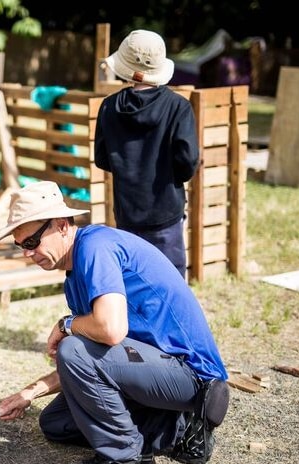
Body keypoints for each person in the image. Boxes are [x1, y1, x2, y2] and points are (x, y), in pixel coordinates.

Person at [0, 181, 229, 464]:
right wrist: (31, 393)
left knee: (72, 348)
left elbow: (110, 330)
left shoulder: (95, 246)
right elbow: (97, 359)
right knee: (56, 424)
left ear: (62, 226)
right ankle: (174, 429)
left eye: (33, 240)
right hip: (156, 371)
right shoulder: (73, 274)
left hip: (193, 378)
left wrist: (66, 324)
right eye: (21, 244)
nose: (28, 253)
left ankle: (127, 458)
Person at [94, 29, 200, 278]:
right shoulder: (178, 107)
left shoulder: (109, 106)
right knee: (170, 283)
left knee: (133, 281)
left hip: (127, 215)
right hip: (166, 215)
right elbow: (187, 162)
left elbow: (102, 158)